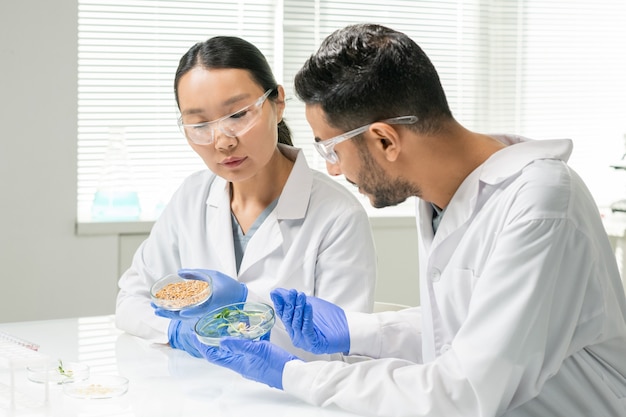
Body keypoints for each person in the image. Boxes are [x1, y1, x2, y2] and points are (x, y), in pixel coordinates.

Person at [188, 24, 626, 417]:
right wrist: (356, 331)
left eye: (331, 149)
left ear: (384, 139)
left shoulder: (541, 204)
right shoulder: (443, 197)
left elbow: (462, 391)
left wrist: (294, 375)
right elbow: (467, 330)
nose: (333, 170)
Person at [115, 35, 377, 361]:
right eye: (200, 125)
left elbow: (343, 346)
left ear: (278, 103)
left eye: (238, 115)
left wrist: (245, 306)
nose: (222, 142)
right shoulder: (192, 197)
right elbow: (130, 300)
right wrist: (174, 332)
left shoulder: (337, 215)